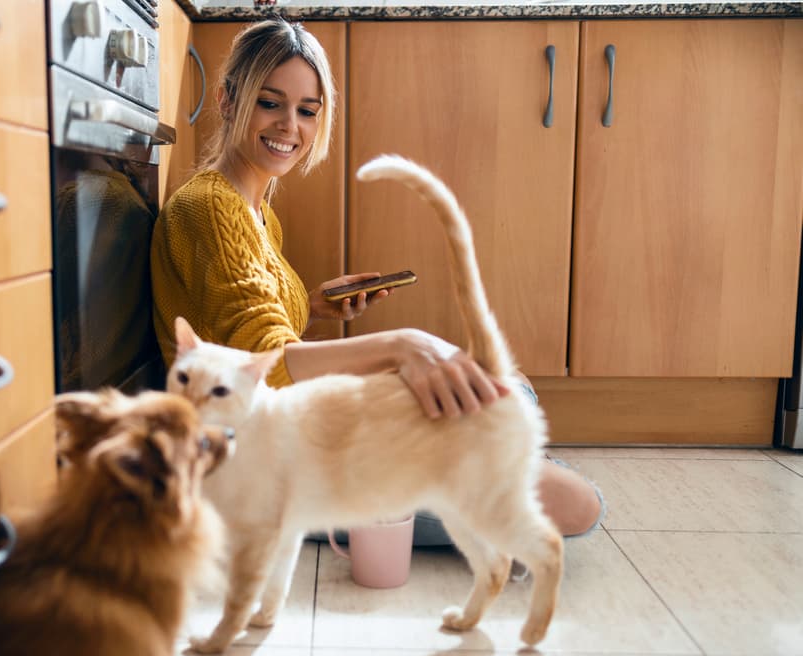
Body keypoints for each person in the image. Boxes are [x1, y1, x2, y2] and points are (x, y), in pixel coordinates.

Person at [150, 18, 604, 542]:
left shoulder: (255, 211)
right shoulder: (210, 207)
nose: (289, 127)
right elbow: (264, 366)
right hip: (253, 469)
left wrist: (315, 305)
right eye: (269, 103)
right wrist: (402, 346)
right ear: (229, 101)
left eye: (307, 111)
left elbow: (237, 321)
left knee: (511, 391)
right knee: (575, 502)